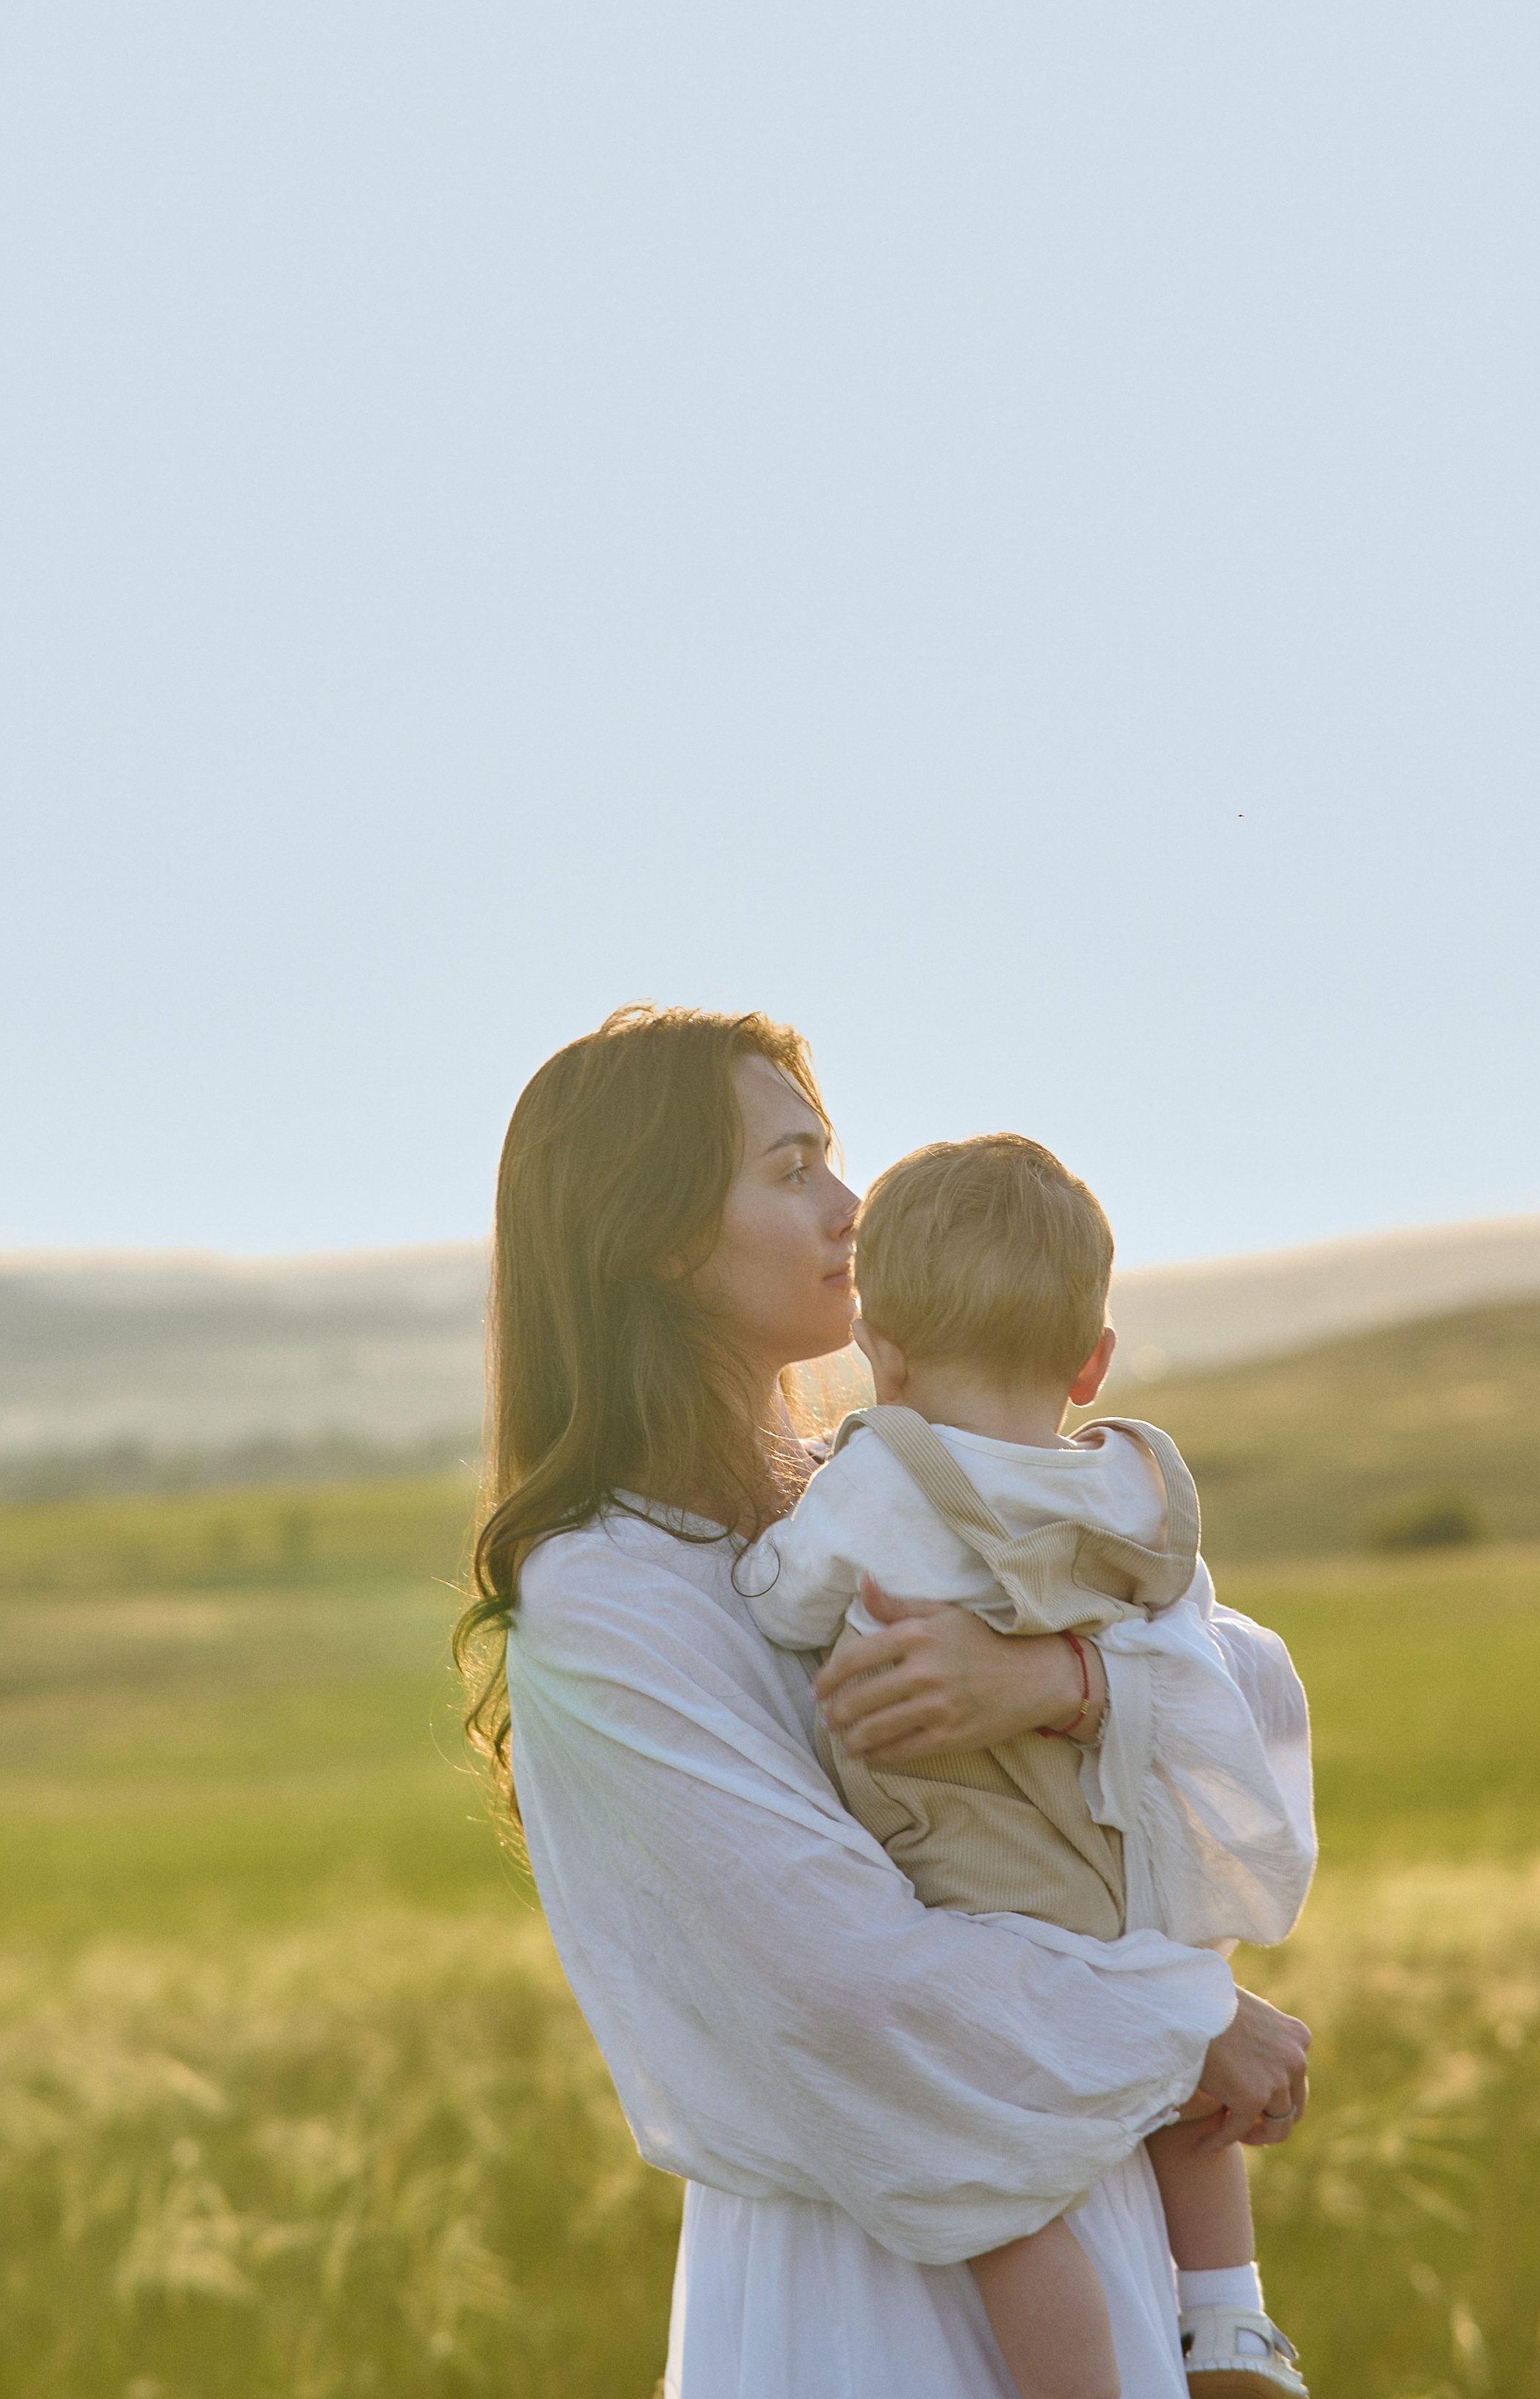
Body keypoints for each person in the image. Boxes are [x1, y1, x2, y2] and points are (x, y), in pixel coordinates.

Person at [454, 1006, 1312, 2399]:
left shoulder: (878, 1483)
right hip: (858, 2289)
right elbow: (841, 1985)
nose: (852, 1208)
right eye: (793, 1170)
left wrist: (1063, 1680)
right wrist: (1185, 2021)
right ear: (656, 1238)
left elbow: (1258, 1691)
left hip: (1089, 2204)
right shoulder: (604, 1595)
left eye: (832, 1159)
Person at [741, 1133, 1316, 2399]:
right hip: (1125, 1866)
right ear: (1092, 1360)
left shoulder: (880, 1481)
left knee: (1009, 2204)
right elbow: (1196, 1647)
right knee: (1181, 2087)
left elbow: (781, 1606)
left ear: (878, 1351)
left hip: (981, 1880)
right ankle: (1228, 2321)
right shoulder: (1135, 1486)